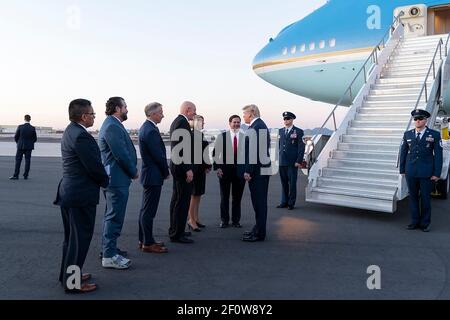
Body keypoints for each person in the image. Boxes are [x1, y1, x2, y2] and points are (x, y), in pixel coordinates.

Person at [54, 99, 109, 293]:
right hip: (79, 194)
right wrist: (107, 182)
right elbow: (94, 166)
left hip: (69, 192)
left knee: (71, 239)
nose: (94, 117)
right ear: (84, 116)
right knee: (79, 240)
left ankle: (68, 275)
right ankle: (72, 283)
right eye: (93, 114)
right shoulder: (81, 136)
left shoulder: (70, 131)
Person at [99, 97, 138, 269]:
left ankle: (109, 249)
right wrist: (133, 171)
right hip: (116, 179)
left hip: (114, 178)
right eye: (125, 107)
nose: (127, 109)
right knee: (114, 217)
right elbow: (120, 153)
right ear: (117, 108)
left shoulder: (112, 124)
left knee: (111, 215)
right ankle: (109, 255)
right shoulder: (112, 126)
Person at [400, 109, 443, 233]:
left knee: (425, 198)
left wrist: (436, 173)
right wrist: (402, 169)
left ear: (426, 120)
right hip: (411, 172)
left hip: (426, 172)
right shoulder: (407, 134)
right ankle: (414, 221)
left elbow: (438, 155)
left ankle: (425, 223)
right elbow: (403, 152)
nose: (417, 121)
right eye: (415, 119)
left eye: (420, 119)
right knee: (412, 197)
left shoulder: (434, 134)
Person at [138, 102, 170, 254]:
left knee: (145, 210)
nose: (163, 115)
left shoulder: (148, 128)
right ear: (152, 114)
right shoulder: (150, 130)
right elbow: (159, 156)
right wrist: (165, 172)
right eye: (161, 112)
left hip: (149, 175)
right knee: (149, 212)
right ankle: (148, 243)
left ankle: (144, 239)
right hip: (153, 175)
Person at [242, 104, 271, 242]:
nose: (243, 116)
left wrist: (248, 171)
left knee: (259, 203)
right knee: (258, 203)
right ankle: (258, 228)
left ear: (251, 113)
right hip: (260, 170)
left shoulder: (257, 127)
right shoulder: (257, 126)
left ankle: (260, 234)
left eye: (245, 114)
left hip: (258, 172)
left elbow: (254, 152)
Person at [169, 101, 197, 243]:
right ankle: (177, 234)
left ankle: (175, 230)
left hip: (177, 167)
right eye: (194, 111)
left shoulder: (177, 121)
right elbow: (182, 149)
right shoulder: (182, 123)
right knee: (182, 202)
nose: (195, 114)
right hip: (181, 169)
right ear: (188, 110)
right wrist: (188, 169)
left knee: (176, 200)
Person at [213, 115, 246, 229]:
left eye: (238, 122)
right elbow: (215, 154)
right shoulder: (222, 137)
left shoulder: (244, 137)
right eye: (234, 122)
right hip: (225, 172)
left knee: (237, 198)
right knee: (224, 197)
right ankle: (224, 220)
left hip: (240, 172)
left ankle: (236, 221)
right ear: (229, 123)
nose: (236, 124)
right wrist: (217, 168)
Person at [187, 115, 212, 232]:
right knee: (193, 194)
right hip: (195, 169)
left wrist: (207, 166)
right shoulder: (191, 135)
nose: (203, 124)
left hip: (201, 169)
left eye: (203, 121)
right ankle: (191, 219)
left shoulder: (200, 134)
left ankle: (196, 218)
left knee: (198, 194)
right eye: (201, 122)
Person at [277, 112, 305, 210]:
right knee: (284, 183)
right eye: (284, 119)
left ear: (292, 119)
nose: (286, 121)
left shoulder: (298, 131)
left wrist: (299, 161)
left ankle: (291, 203)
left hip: (292, 162)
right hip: (282, 161)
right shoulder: (280, 131)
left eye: (288, 118)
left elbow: (301, 148)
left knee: (292, 184)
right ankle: (284, 202)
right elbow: (280, 146)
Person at [10, 114, 37, 180]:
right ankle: (25, 175)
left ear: (24, 119)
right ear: (30, 119)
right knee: (27, 161)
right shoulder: (32, 128)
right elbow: (35, 138)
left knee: (18, 161)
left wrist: (18, 143)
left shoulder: (20, 127)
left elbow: (16, 137)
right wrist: (30, 143)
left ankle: (16, 175)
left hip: (20, 146)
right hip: (29, 147)